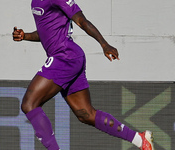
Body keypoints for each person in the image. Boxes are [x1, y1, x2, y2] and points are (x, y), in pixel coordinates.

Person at [12, 0, 154, 149]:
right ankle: (140, 139)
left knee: (29, 104)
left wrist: (104, 44)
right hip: (70, 58)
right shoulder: (35, 2)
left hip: (65, 57)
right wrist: (25, 35)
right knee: (86, 114)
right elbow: (47, 32)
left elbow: (81, 20)